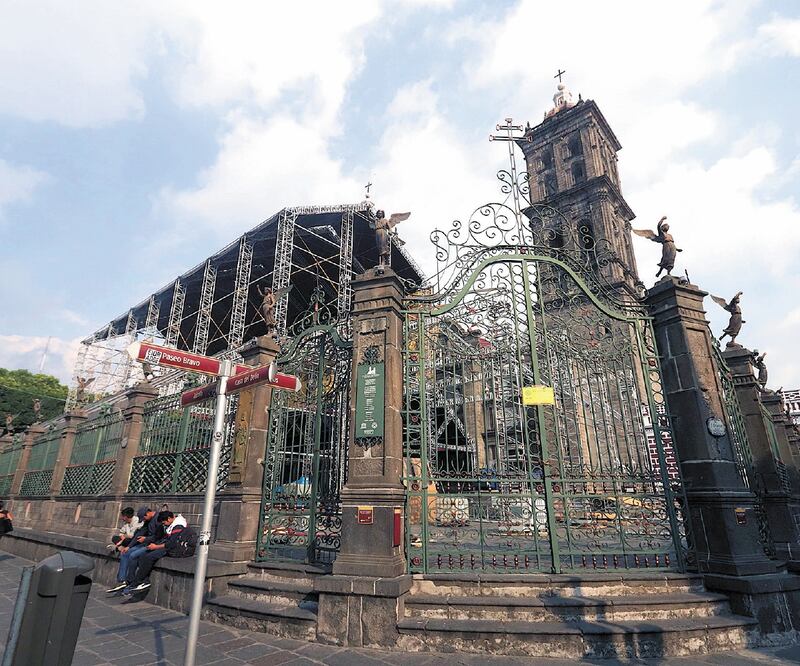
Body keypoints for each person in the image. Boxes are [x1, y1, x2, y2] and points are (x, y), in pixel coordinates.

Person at [123, 511, 196, 594]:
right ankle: (141, 581)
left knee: (148, 557)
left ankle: (140, 582)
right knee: (144, 555)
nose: (164, 524)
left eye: (164, 522)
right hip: (173, 547)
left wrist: (156, 547)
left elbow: (171, 543)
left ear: (169, 519)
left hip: (180, 550)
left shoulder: (178, 526)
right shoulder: (172, 525)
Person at [106, 507, 160, 593]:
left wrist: (146, 539)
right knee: (125, 553)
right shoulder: (147, 521)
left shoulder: (158, 519)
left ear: (148, 513)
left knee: (133, 555)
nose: (144, 520)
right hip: (145, 542)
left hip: (154, 544)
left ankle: (131, 582)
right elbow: (140, 533)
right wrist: (129, 546)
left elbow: (158, 536)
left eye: (144, 518)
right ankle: (122, 580)